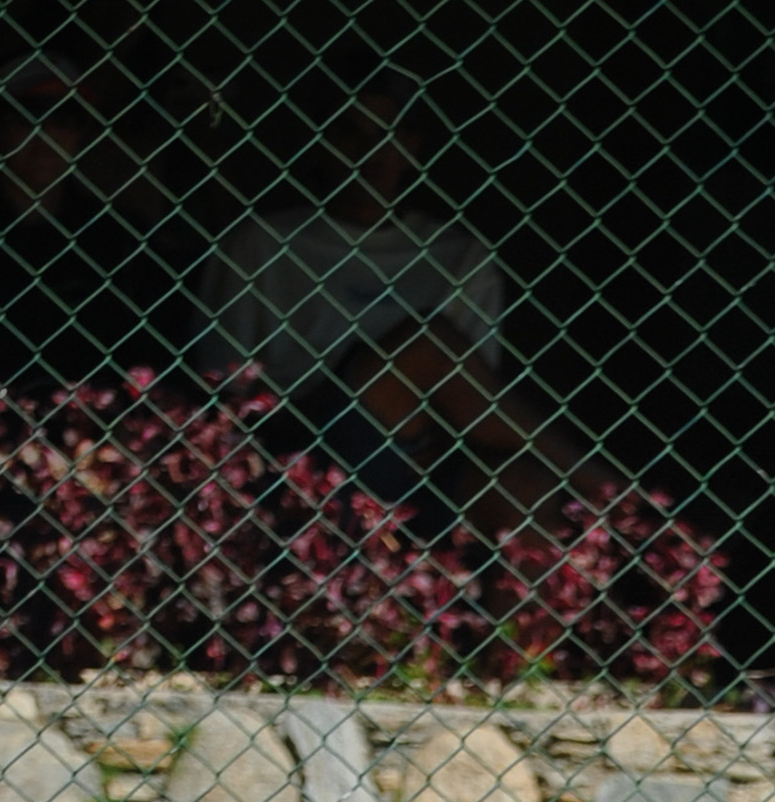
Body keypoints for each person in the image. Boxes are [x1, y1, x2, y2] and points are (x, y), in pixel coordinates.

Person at [202, 78, 594, 541]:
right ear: (323, 141)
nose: (370, 152)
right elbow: (219, 387)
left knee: (524, 491)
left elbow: (476, 403)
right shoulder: (263, 243)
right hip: (308, 441)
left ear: (411, 145)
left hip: (419, 456)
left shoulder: (458, 257)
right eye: (351, 133)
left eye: (386, 135)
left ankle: (528, 606)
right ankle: (609, 489)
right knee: (423, 347)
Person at [0, 56, 198, 400]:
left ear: (81, 133)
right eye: (26, 117)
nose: (44, 134)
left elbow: (158, 360)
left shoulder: (122, 242)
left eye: (64, 118)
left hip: (102, 428)